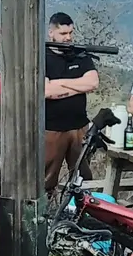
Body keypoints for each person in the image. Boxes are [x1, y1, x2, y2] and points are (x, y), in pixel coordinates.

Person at [42, 12, 99, 192]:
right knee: (47, 178)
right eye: (63, 34)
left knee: (83, 177)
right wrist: (77, 85)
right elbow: (47, 91)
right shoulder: (42, 56)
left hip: (79, 127)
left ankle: (82, 215)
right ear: (51, 33)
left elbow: (92, 82)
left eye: (70, 33)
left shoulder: (79, 54)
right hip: (52, 128)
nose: (68, 38)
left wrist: (60, 83)